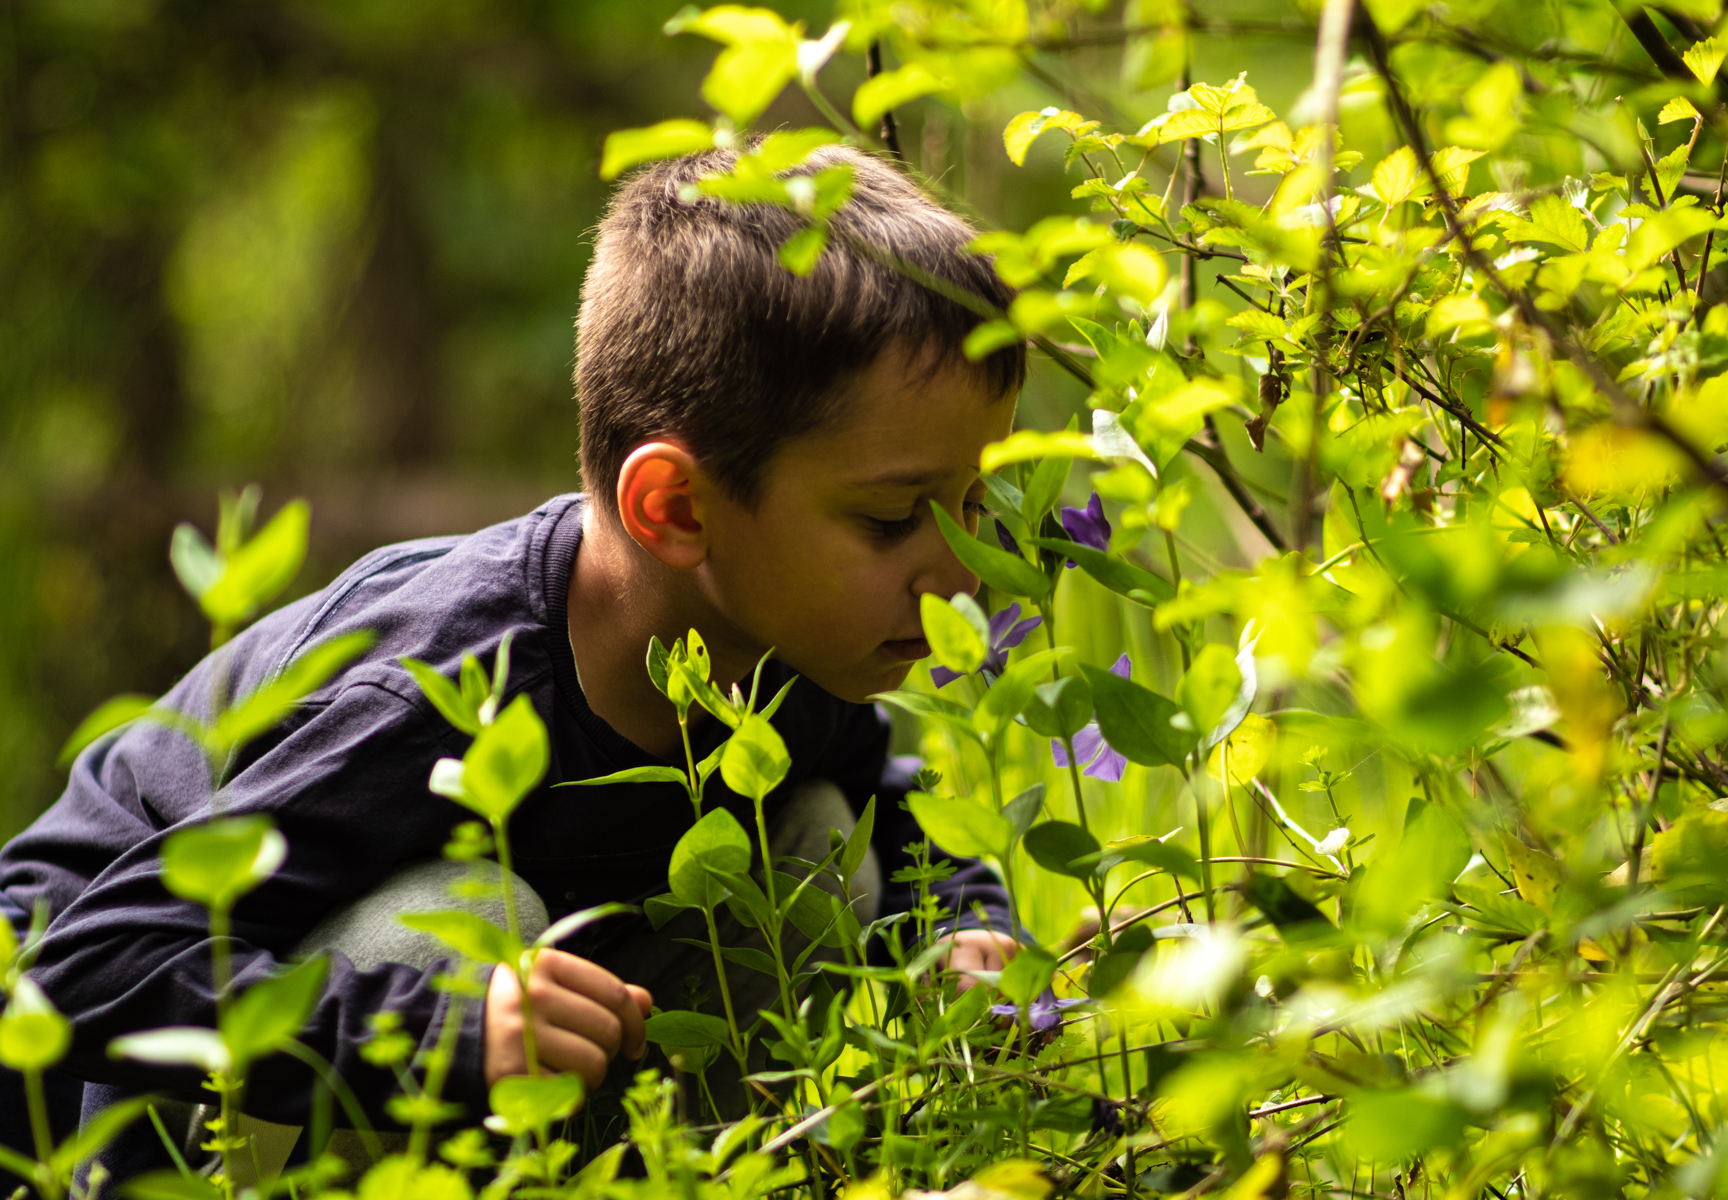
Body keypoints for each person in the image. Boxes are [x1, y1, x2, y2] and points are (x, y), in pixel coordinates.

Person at [0, 141, 1027, 1185]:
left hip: (412, 1074)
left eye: (977, 507)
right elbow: (78, 963)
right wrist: (439, 1033)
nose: (962, 569)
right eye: (897, 517)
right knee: (464, 923)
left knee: (810, 836)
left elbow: (891, 800)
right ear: (673, 509)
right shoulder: (434, 682)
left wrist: (974, 927)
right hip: (77, 1099)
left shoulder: (788, 651)